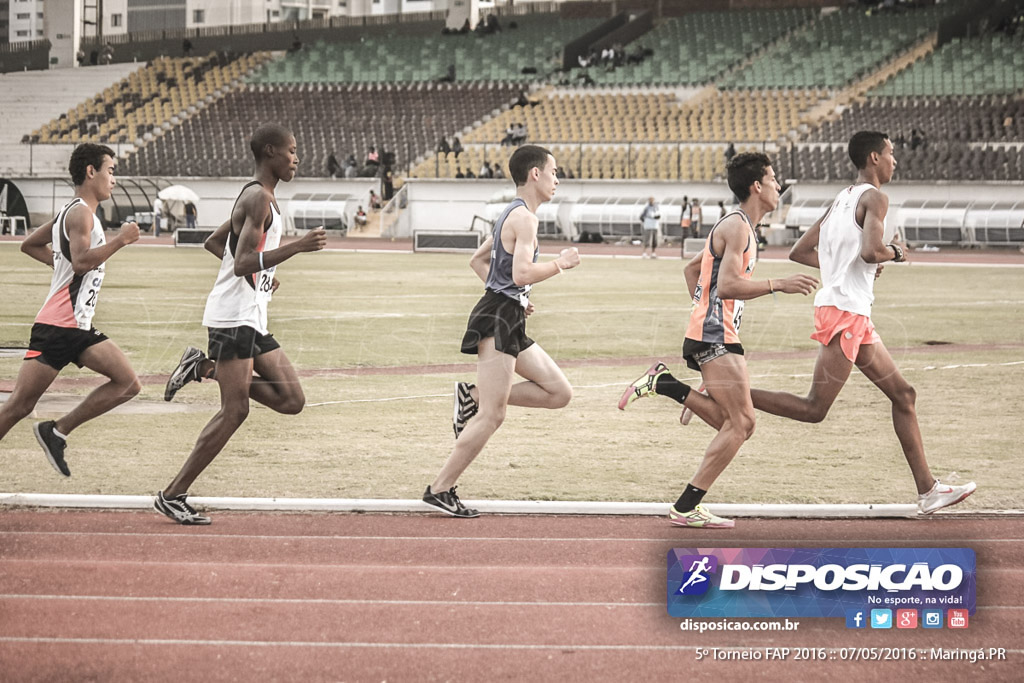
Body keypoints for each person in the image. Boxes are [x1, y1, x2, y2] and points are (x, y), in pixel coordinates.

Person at [677, 132, 976, 516]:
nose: (894, 161)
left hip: (850, 312)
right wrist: (895, 253)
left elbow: (801, 251)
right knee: (814, 408)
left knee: (904, 395)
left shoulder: (842, 199)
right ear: (874, 158)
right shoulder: (876, 198)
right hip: (846, 313)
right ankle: (725, 390)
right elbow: (871, 250)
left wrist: (850, 264)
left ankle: (929, 489)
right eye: (891, 153)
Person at [618, 152, 818, 528]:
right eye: (774, 179)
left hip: (713, 332)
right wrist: (779, 284)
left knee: (737, 422)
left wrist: (703, 312)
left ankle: (666, 385)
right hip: (715, 334)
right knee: (742, 422)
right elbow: (726, 285)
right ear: (757, 186)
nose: (779, 185)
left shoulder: (738, 226)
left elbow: (693, 269)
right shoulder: (738, 227)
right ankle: (685, 506)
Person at [157, 125, 327, 524]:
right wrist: (294, 249)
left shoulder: (260, 198)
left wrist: (261, 279)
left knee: (291, 400)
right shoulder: (259, 198)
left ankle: (202, 367)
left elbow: (216, 245)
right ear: (270, 152)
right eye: (291, 150)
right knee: (235, 411)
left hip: (250, 316)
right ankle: (173, 494)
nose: (296, 158)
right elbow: (240, 261)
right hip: (232, 319)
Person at [423, 145, 581, 517]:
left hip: (507, 313)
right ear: (535, 174)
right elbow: (522, 272)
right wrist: (560, 264)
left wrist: (516, 296)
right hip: (498, 318)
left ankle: (473, 394)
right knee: (493, 416)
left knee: (559, 392)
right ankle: (440, 489)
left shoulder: (510, 215)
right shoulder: (525, 219)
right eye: (554, 172)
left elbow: (479, 261)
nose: (558, 179)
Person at [0, 143, 141, 476]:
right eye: (111, 170)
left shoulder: (73, 211)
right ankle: (55, 431)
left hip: (77, 327)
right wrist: (120, 240)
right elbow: (79, 264)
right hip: (58, 327)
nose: (114, 180)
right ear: (91, 171)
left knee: (128, 383)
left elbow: (30, 245)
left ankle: (57, 431)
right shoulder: (80, 214)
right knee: (19, 406)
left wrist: (59, 262)